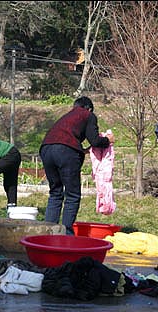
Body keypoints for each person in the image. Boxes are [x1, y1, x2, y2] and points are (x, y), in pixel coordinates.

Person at [39, 96, 115, 235]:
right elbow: (95, 140)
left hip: (46, 149)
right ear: (89, 108)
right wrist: (107, 140)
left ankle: (48, 233)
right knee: (72, 195)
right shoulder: (88, 115)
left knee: (55, 192)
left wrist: (82, 150)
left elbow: (64, 138)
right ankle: (66, 233)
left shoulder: (67, 116)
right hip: (65, 151)